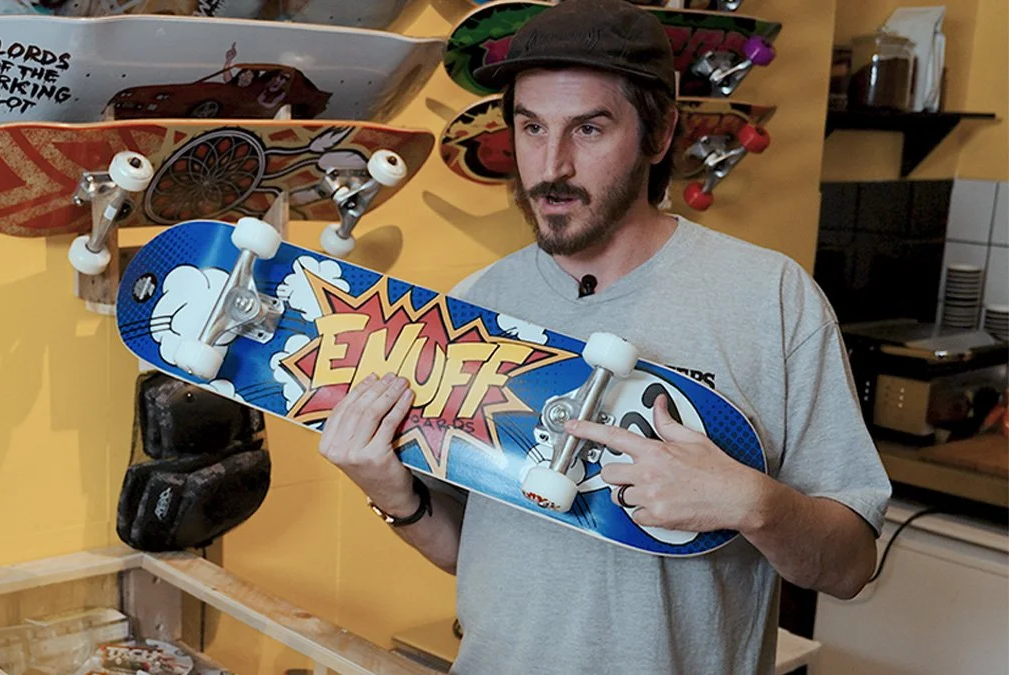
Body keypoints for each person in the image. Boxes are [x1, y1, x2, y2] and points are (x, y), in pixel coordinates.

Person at [316, 1, 892, 672]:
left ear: (658, 133)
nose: (551, 165)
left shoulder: (772, 300)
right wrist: (393, 495)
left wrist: (755, 504)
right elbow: (476, 553)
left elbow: (850, 564)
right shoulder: (473, 307)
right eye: (531, 127)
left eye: (588, 128)